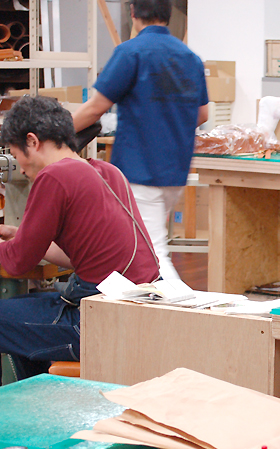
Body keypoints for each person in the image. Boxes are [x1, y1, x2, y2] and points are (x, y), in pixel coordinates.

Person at [0, 95, 159, 393]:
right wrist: (23, 235)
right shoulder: (106, 171)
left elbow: (17, 262)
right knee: (18, 313)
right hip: (135, 309)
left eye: (16, 155)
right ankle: (36, 403)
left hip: (94, 321)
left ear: (32, 141)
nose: (20, 169)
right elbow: (84, 256)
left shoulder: (54, 176)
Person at [71, 0, 209, 281]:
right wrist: (168, 126)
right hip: (175, 170)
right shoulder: (190, 57)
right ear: (168, 14)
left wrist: (51, 132)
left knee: (152, 254)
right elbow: (202, 114)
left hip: (140, 170)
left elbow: (95, 108)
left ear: (133, 12)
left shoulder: (130, 52)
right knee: (143, 246)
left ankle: (178, 305)